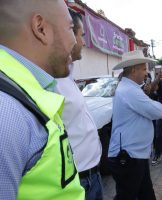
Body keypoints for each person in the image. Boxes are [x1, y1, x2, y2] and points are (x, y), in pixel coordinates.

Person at [0, 0, 85, 199]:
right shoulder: (6, 111)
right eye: (70, 28)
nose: (75, 42)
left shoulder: (24, 92)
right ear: (41, 28)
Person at [108, 50, 162, 200]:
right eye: (144, 69)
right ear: (134, 70)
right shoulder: (128, 90)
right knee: (128, 196)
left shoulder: (130, 89)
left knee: (145, 194)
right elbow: (152, 109)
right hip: (128, 157)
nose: (146, 73)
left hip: (135, 155)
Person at [56, 9, 103, 200]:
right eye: (81, 35)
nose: (84, 42)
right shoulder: (51, 80)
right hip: (78, 182)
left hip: (93, 175)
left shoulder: (68, 74)